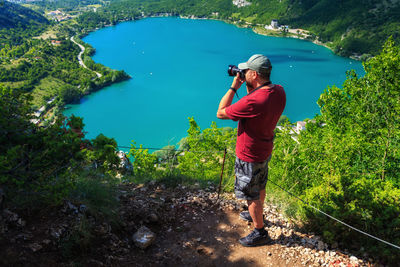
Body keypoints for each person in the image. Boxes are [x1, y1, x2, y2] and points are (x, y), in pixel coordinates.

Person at [216, 54, 286, 247]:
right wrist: (248, 86)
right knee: (260, 185)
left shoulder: (254, 101)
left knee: (251, 194)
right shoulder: (279, 91)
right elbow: (255, 102)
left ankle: (259, 231)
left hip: (249, 155)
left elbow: (221, 112)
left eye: (246, 71)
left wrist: (233, 87)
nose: (242, 73)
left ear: (254, 74)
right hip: (264, 150)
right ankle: (257, 213)